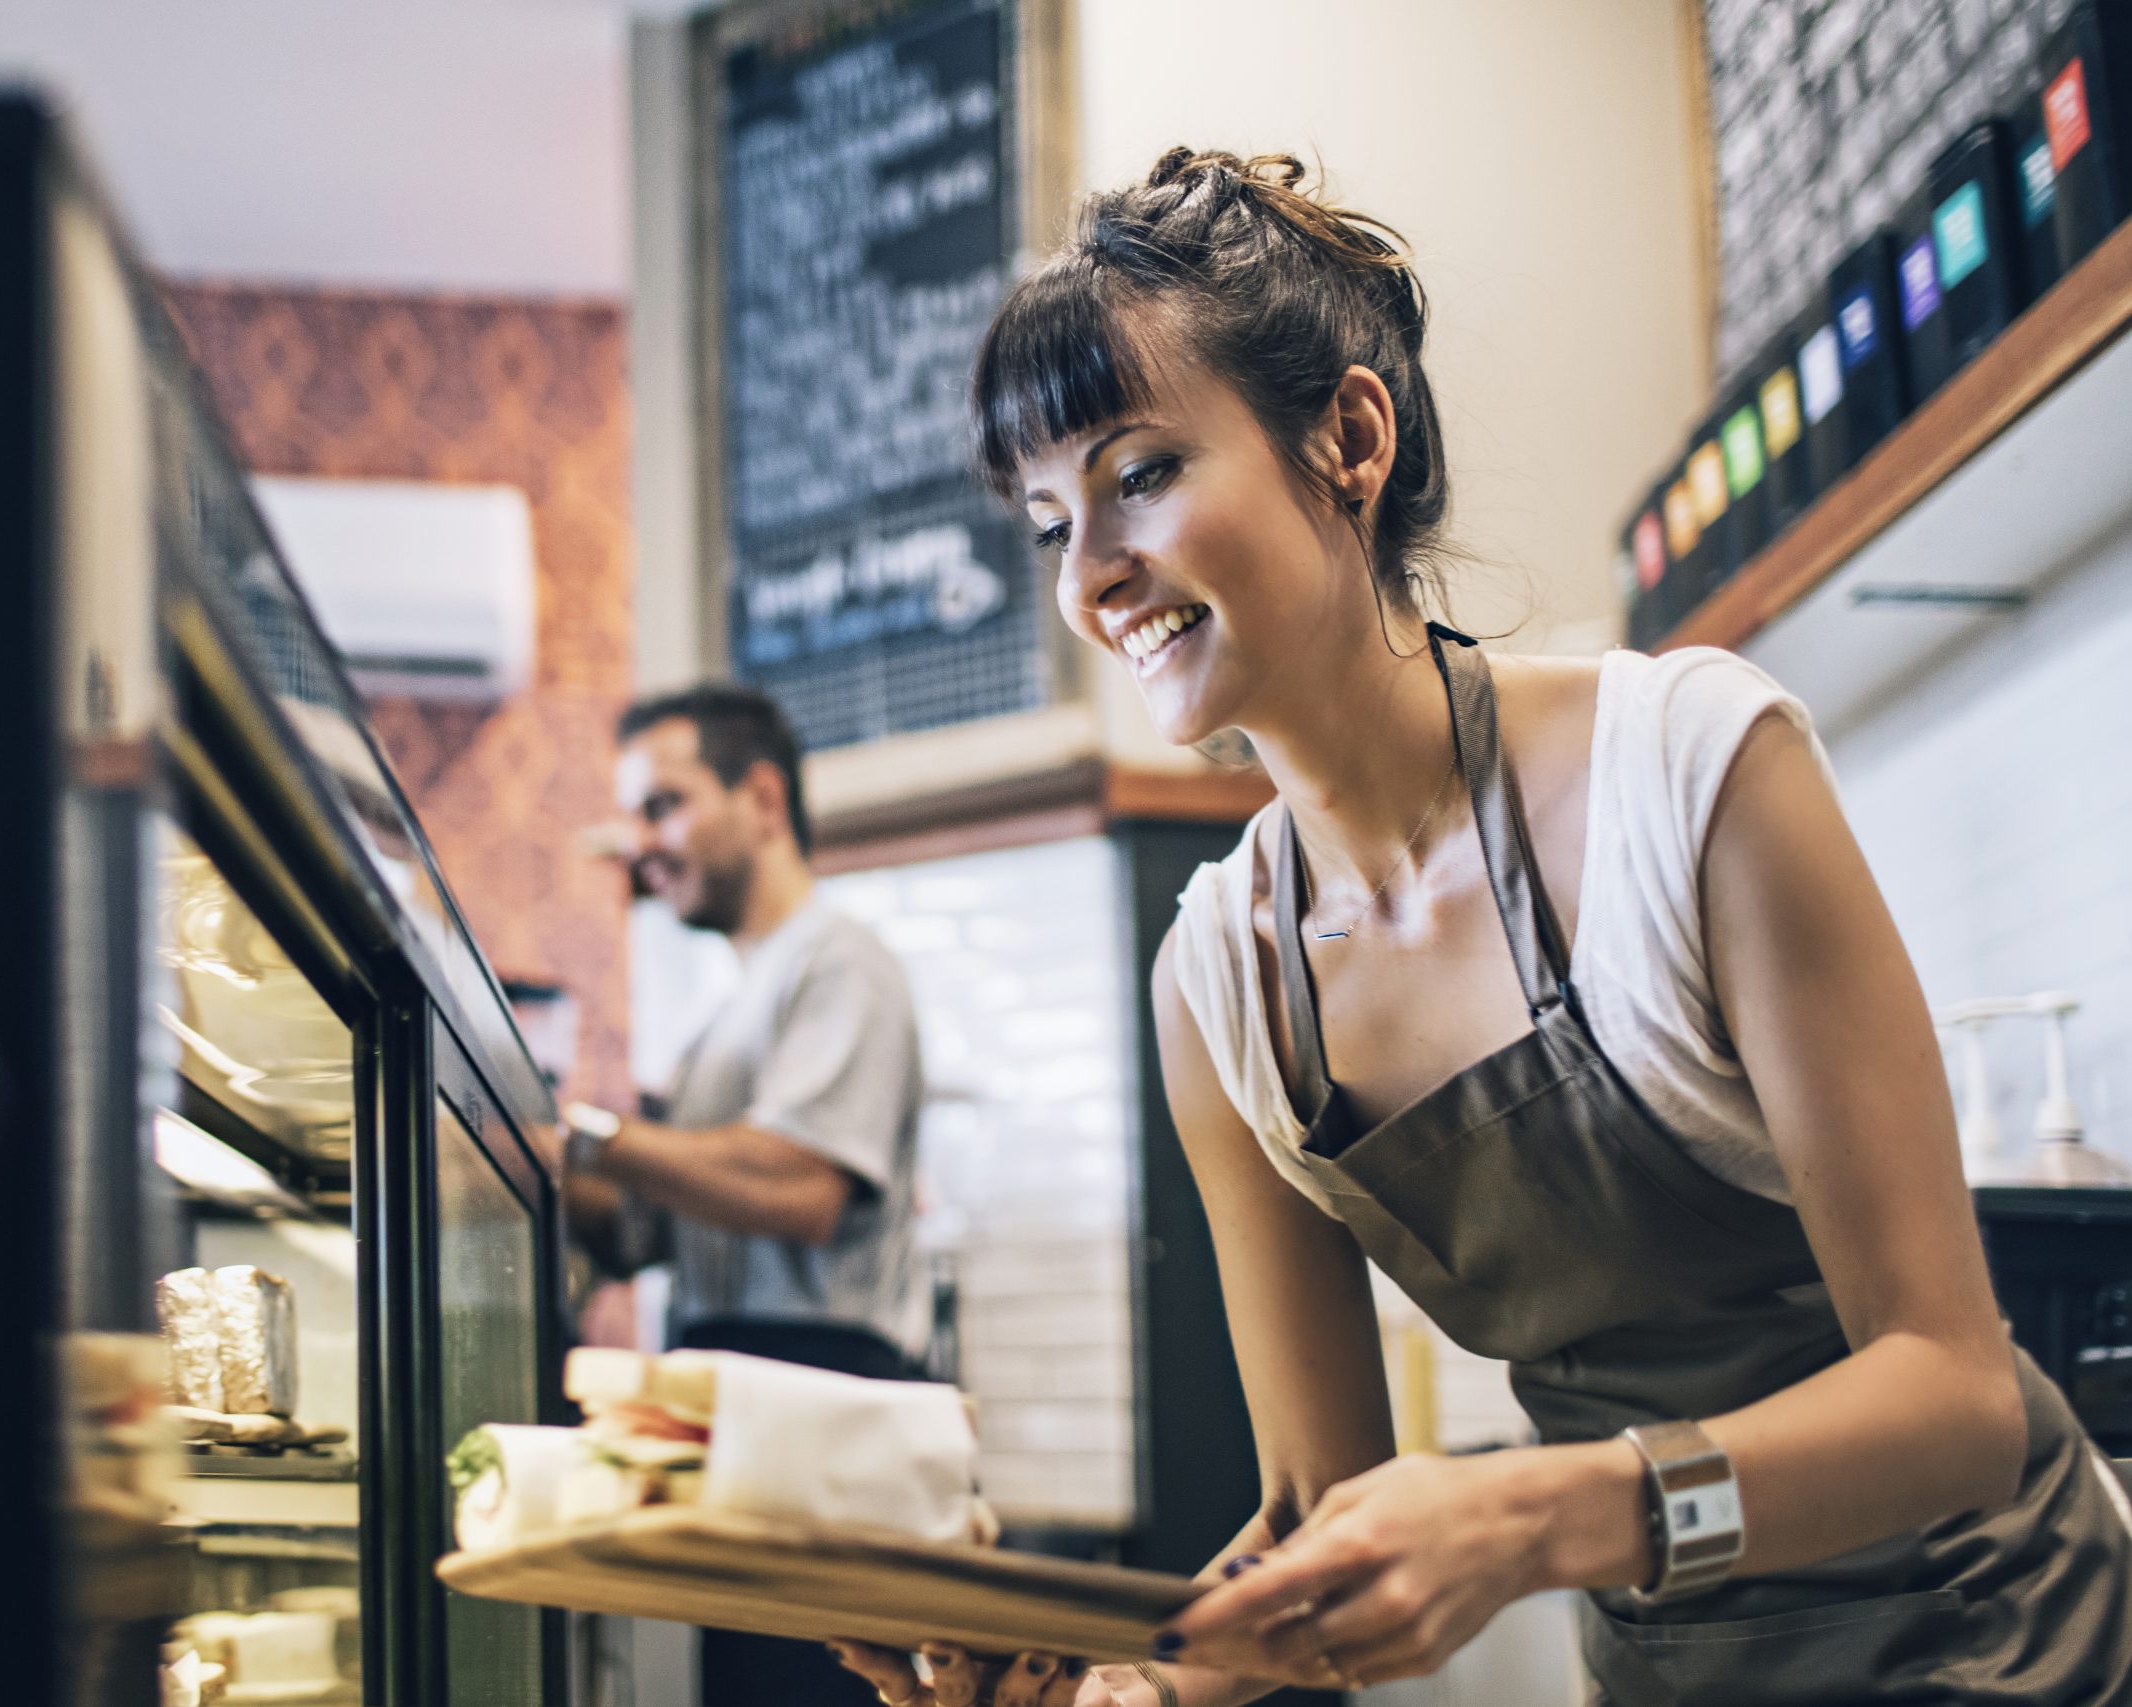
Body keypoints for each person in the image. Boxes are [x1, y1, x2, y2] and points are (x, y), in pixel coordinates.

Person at [836, 148, 2132, 1707]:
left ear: (1350, 435)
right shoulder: (1224, 983)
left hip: (2004, 1636)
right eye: (1050, 523)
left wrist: (1539, 1510)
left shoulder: (1690, 774)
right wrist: (1124, 1677)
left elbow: (1957, 1399)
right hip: (1671, 1666)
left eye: (1142, 473)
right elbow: (1316, 1517)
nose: (1095, 576)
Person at [547, 682, 928, 1707]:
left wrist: (595, 1139)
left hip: (821, 1408)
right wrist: (503, 1151)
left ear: (761, 799)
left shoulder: (838, 963)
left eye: (661, 807)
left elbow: (801, 1187)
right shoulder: (725, 1016)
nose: (640, 844)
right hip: (737, 1405)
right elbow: (635, 1233)